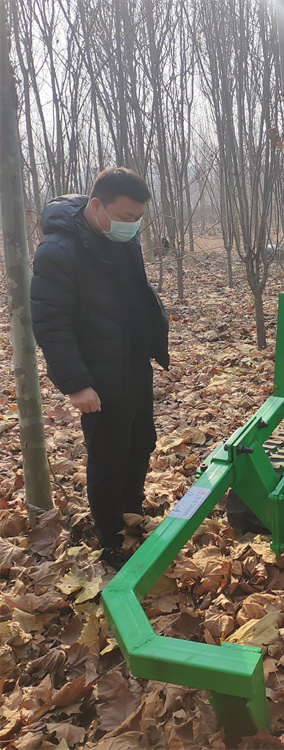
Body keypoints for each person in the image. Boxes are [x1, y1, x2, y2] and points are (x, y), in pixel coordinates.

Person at [30, 167, 169, 569]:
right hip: (99, 376)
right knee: (108, 457)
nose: (132, 225)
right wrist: (76, 383)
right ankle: (110, 537)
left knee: (141, 442)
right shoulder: (59, 251)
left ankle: (131, 511)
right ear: (96, 206)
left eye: (138, 218)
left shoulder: (120, 236)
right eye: (125, 216)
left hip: (134, 365)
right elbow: (51, 323)